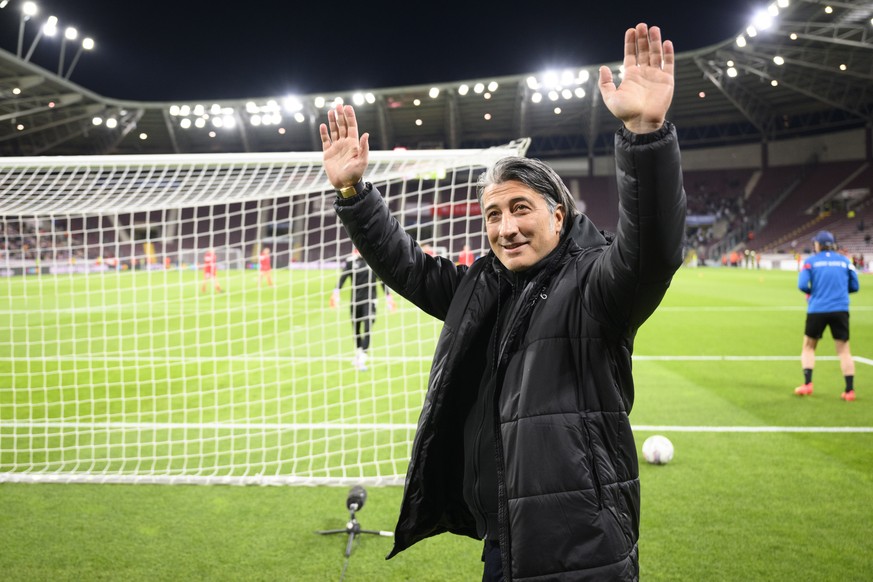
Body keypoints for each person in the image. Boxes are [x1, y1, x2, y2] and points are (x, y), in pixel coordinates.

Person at [321, 23, 685, 581]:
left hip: (584, 547)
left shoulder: (596, 286)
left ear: (558, 216)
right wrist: (353, 193)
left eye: (521, 209)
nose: (506, 227)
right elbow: (407, 266)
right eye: (493, 215)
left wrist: (645, 135)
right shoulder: (482, 287)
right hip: (507, 539)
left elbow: (653, 253)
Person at [794, 230, 860, 401]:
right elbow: (855, 285)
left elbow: (802, 284)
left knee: (808, 347)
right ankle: (849, 390)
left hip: (817, 309)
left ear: (818, 245)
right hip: (840, 309)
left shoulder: (811, 262)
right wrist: (840, 293)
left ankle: (808, 384)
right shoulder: (845, 261)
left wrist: (812, 293)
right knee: (844, 350)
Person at [330, 248, 395, 371]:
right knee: (356, 329)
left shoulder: (373, 262)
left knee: (367, 327)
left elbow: (382, 281)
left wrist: (388, 298)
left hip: (370, 301)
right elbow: (342, 279)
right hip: (355, 301)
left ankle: (363, 356)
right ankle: (359, 353)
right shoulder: (351, 263)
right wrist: (336, 293)